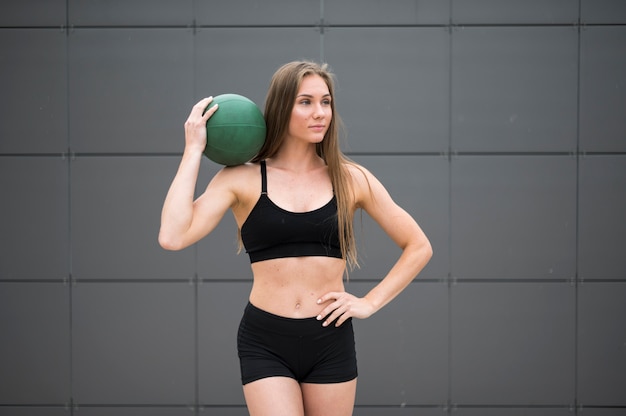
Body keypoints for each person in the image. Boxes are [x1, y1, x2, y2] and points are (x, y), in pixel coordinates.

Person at [159, 61, 432, 416]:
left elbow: (419, 246)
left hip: (329, 340)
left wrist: (370, 302)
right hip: (265, 339)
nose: (319, 113)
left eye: (326, 102)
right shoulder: (241, 178)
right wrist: (194, 150)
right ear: (281, 107)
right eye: (306, 102)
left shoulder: (351, 179)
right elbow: (173, 236)